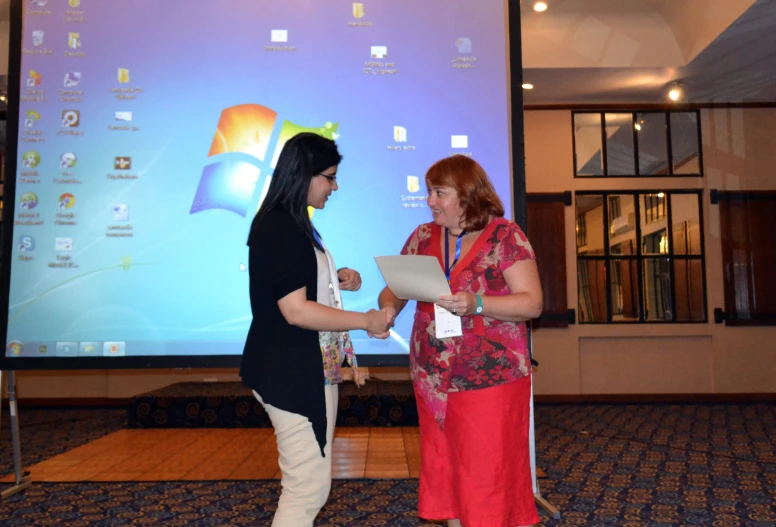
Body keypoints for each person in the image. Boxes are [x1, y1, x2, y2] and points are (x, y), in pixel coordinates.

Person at [377, 155, 543, 527]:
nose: (430, 201)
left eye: (440, 192)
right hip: (433, 379)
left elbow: (532, 303)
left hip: (490, 379)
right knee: (447, 473)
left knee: (486, 476)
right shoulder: (422, 236)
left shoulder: (505, 235)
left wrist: (477, 303)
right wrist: (387, 310)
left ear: (467, 195)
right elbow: (394, 290)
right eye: (429, 192)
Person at [240, 132, 391, 527]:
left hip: (305, 369)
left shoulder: (293, 223)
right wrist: (365, 321)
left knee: (311, 484)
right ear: (303, 175)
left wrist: (332, 278)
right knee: (306, 488)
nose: (334, 187)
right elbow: (295, 311)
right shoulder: (280, 227)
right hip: (289, 372)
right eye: (329, 177)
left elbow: (291, 285)